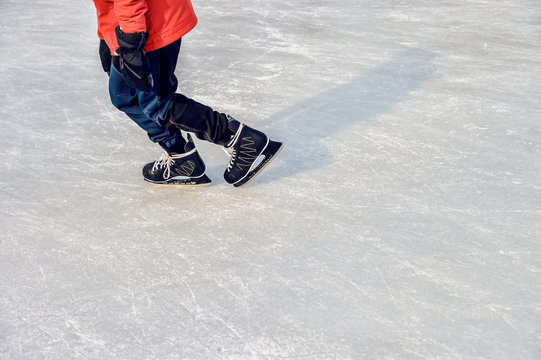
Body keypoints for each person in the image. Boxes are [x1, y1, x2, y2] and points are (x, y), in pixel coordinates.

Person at [92, 0, 282, 187]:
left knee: (159, 104)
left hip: (150, 24)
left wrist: (131, 44)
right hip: (126, 25)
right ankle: (181, 157)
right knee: (124, 96)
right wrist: (106, 34)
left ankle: (241, 140)